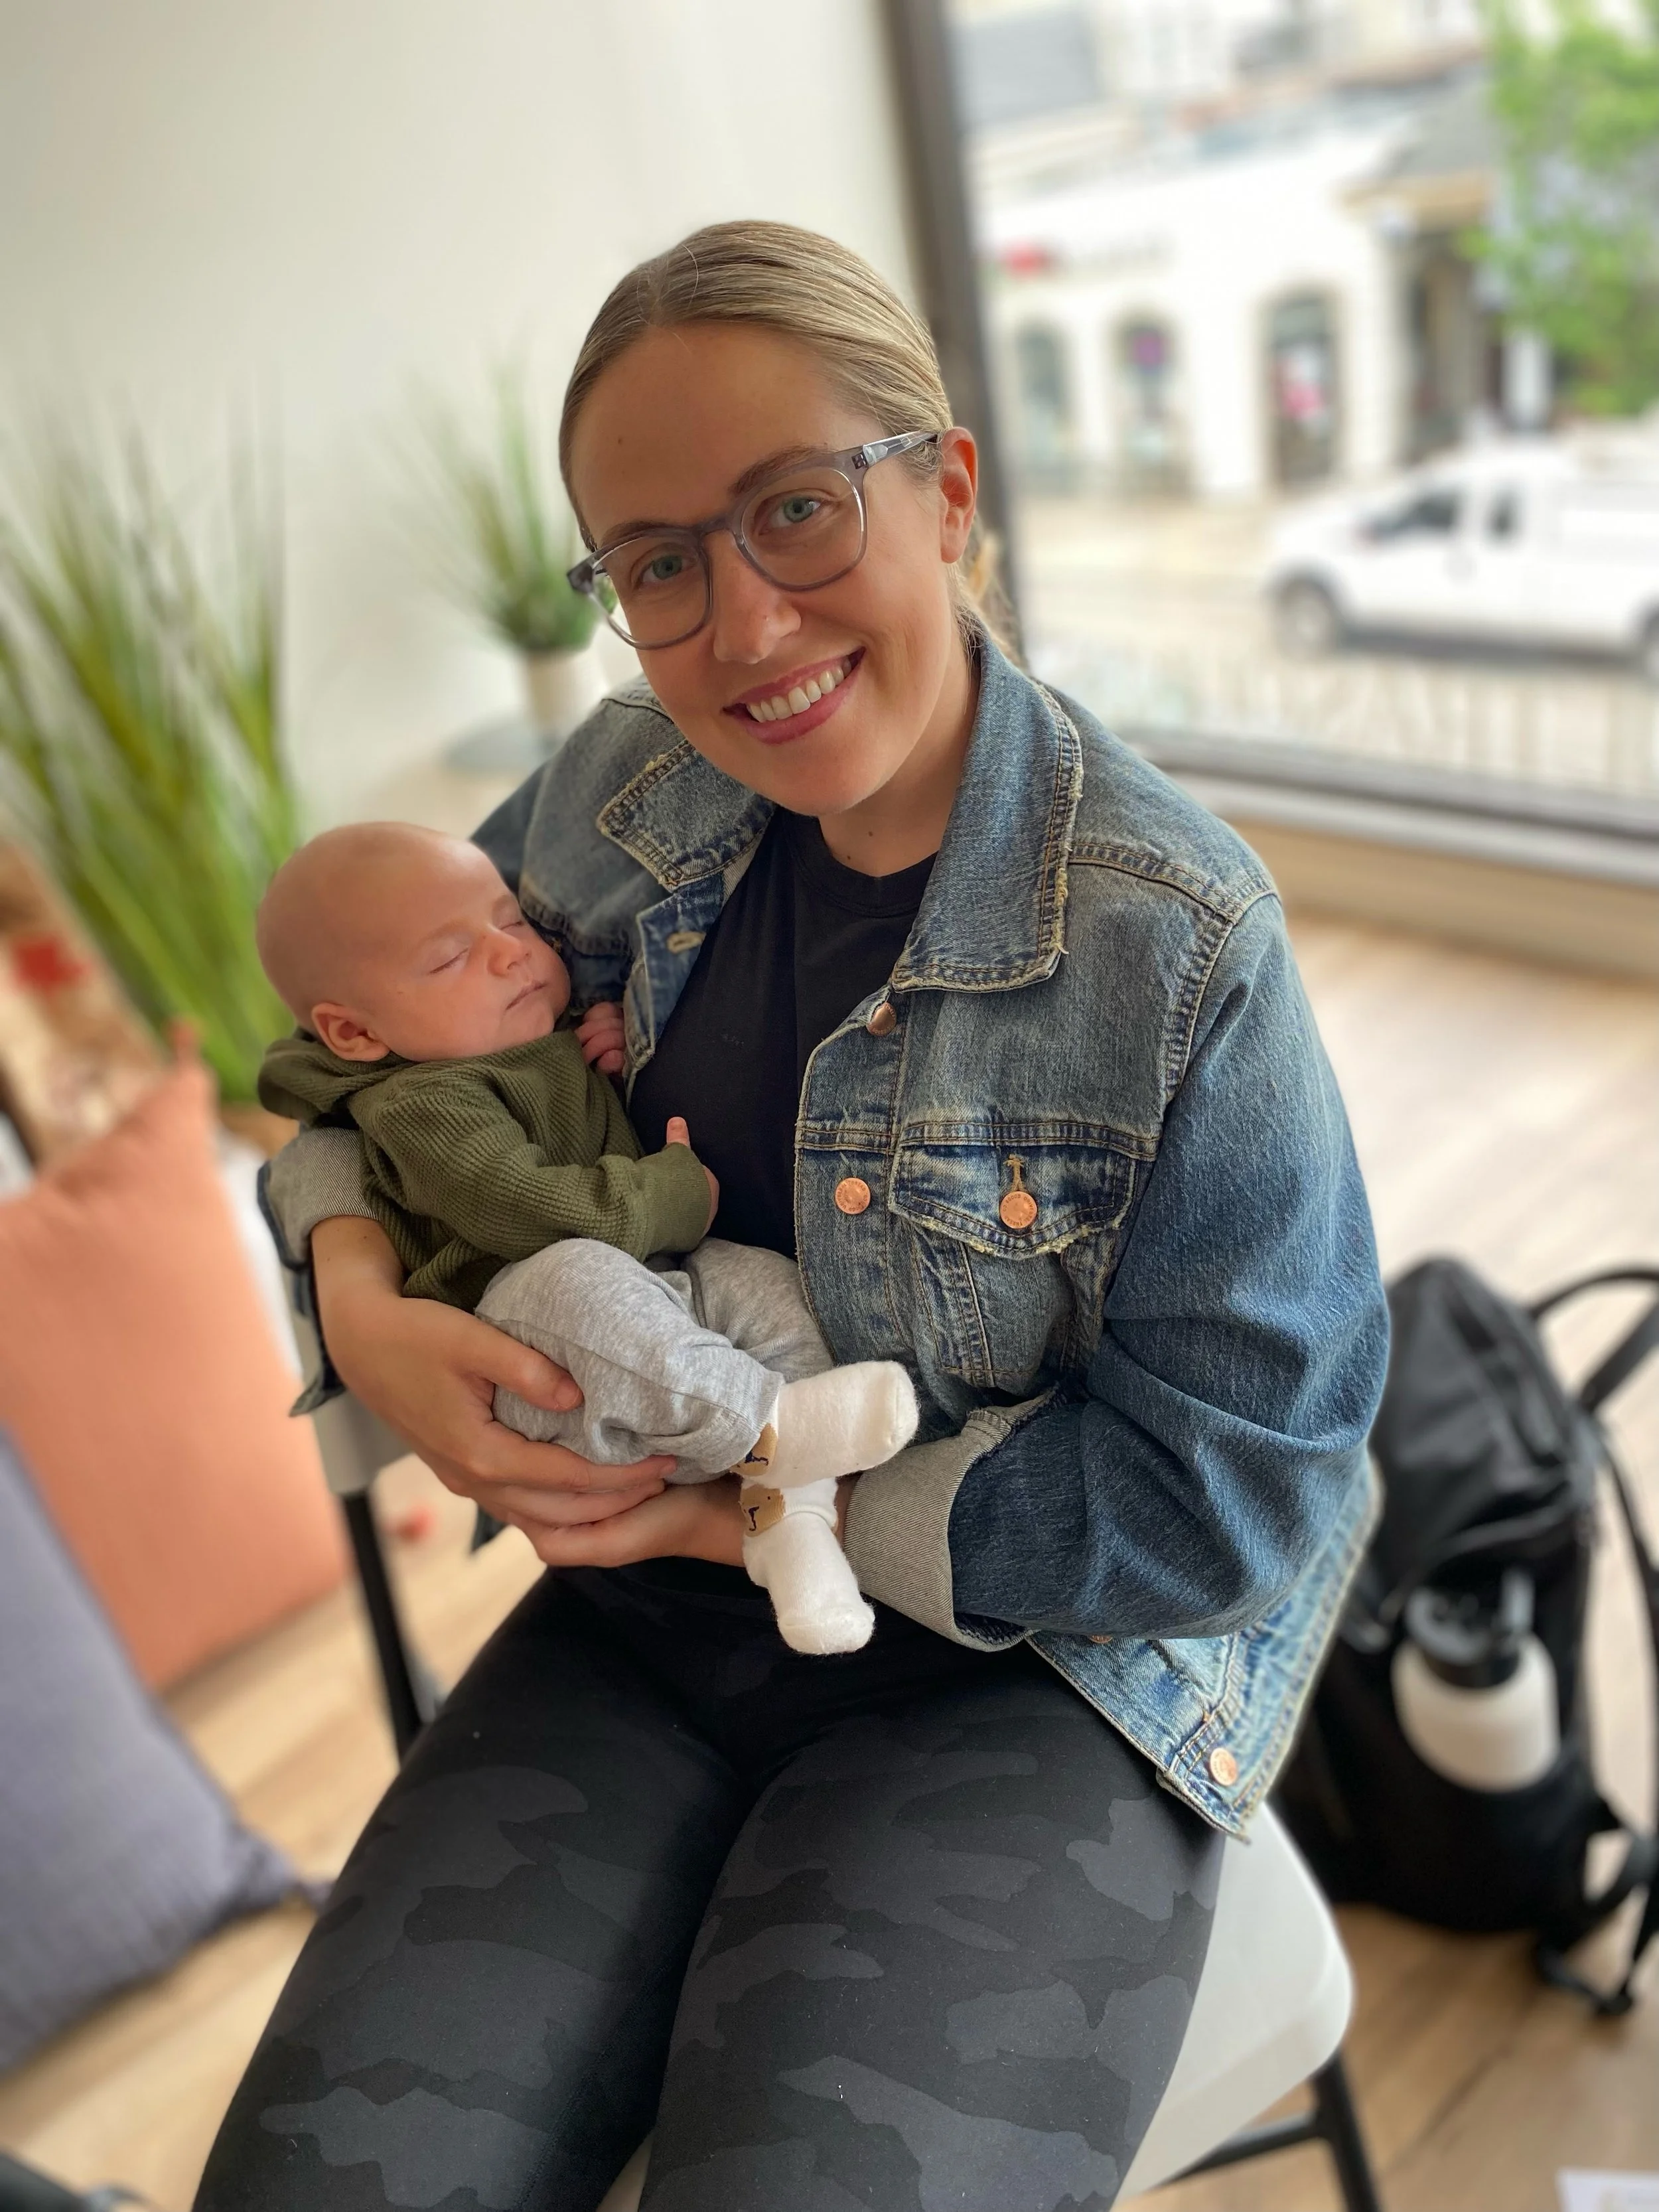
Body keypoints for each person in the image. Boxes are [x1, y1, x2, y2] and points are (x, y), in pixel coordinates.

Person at [196, 220, 1388, 2212]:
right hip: (641, 1643)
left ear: (942, 490)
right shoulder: (608, 796)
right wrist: (361, 1300)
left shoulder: (1170, 945)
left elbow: (1237, 1500)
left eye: (793, 511)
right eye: (659, 561)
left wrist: (737, 1501)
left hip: (1020, 1682)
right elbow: (341, 1065)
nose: (740, 629)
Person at [253, 820, 917, 1652]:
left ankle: (795, 1523)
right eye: (450, 957)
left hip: (648, 1302)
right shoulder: (420, 1104)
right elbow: (529, 1212)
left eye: (511, 920)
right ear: (354, 1034)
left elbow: (556, 1099)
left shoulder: (507, 1034)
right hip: (539, 1350)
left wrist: (595, 1039)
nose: (508, 954)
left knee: (766, 1287)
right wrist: (670, 1191)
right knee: (569, 1275)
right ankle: (770, 1428)